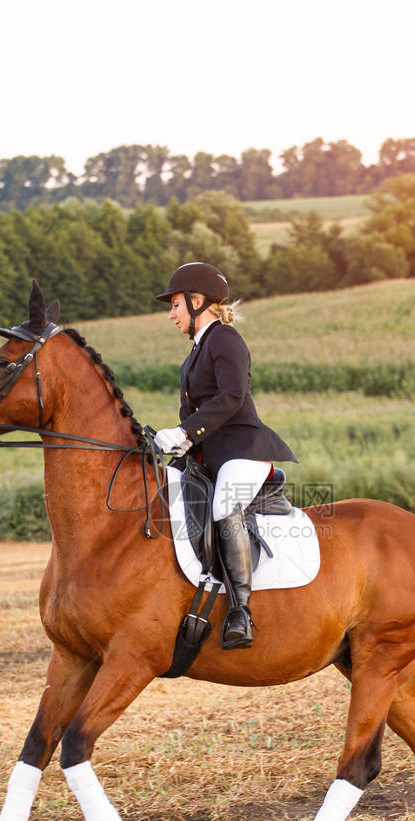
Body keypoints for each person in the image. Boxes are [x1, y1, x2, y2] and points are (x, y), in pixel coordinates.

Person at [154, 262, 297, 650]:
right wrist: (182, 444)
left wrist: (186, 432)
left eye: (176, 306)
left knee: (224, 505)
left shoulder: (225, 339)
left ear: (197, 302)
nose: (171, 315)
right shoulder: (199, 349)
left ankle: (240, 611)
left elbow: (231, 398)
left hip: (244, 451)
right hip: (212, 453)